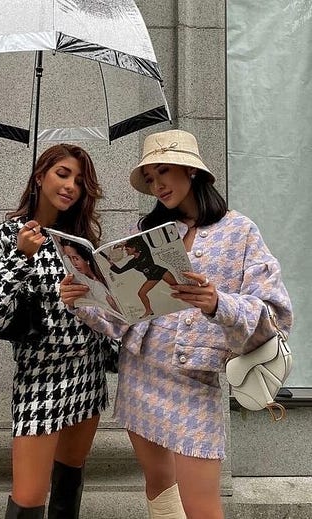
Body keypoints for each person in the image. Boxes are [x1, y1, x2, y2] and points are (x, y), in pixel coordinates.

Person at [60, 129, 293, 519]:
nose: (157, 185)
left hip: (194, 383)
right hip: (141, 372)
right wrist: (83, 300)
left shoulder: (239, 231)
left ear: (192, 171)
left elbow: (275, 314)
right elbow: (123, 317)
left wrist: (219, 303)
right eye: (150, 178)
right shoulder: (144, 234)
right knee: (159, 488)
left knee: (202, 507)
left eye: (164, 171)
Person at [0, 144, 113, 519]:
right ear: (39, 176)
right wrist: (20, 256)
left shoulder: (81, 241)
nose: (71, 186)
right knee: (29, 495)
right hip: (40, 374)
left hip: (88, 370)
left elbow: (106, 311)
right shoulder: (8, 235)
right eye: (62, 174)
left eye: (79, 181)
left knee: (69, 479)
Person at [108, 234, 178, 318]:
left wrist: (125, 243)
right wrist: (110, 263)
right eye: (126, 249)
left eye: (127, 249)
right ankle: (148, 310)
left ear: (134, 248)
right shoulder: (132, 262)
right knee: (141, 293)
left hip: (160, 271)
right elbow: (119, 271)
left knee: (177, 287)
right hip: (152, 277)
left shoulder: (145, 251)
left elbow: (139, 237)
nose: (126, 251)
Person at [60, 239, 119, 314]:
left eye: (76, 258)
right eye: (70, 258)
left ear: (86, 258)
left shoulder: (102, 278)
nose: (74, 263)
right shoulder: (80, 279)